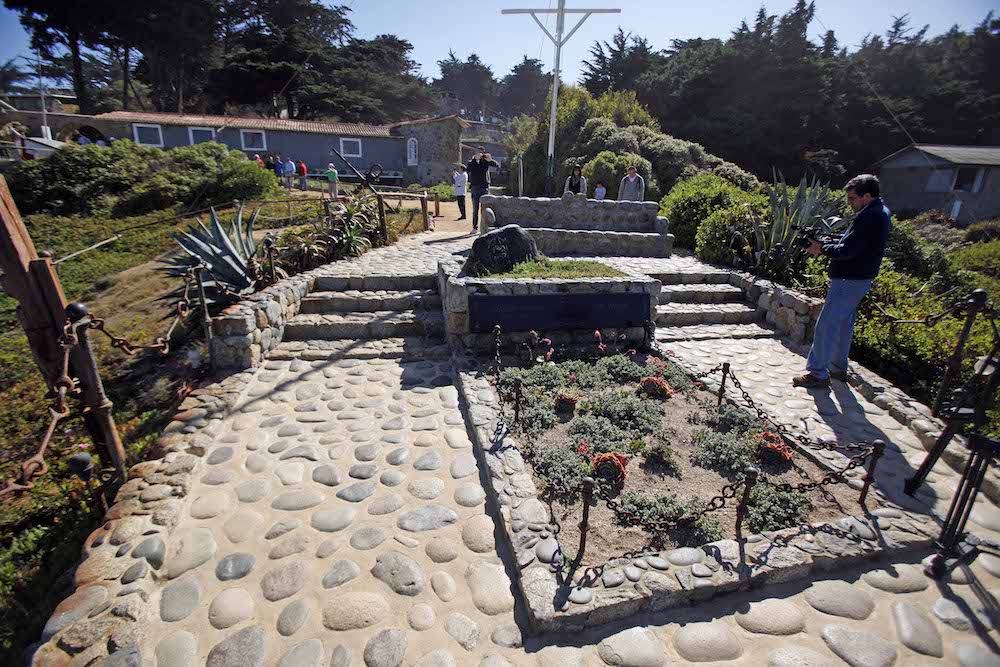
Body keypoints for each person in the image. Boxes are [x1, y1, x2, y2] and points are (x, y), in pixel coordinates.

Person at [793, 174, 891, 388]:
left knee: (827, 324)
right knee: (843, 324)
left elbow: (850, 250)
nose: (849, 203)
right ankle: (837, 368)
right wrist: (830, 241)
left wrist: (821, 249)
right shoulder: (877, 213)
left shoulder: (871, 217)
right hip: (858, 278)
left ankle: (817, 373)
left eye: (852, 198)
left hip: (850, 278)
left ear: (866, 196)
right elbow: (856, 242)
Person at [466, 147, 500, 231]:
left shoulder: (486, 161)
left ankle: (485, 226)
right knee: (475, 208)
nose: (480, 154)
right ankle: (475, 227)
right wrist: (475, 160)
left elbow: (497, 166)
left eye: (481, 152)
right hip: (474, 187)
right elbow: (468, 169)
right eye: (478, 152)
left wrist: (490, 160)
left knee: (485, 208)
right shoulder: (471, 162)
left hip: (484, 187)